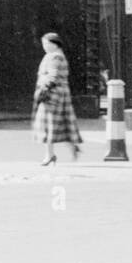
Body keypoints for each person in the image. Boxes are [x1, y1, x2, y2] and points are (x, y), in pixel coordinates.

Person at [33, 32, 82, 164]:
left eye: (46, 43)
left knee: (48, 126)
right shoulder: (56, 55)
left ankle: (50, 155)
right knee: (62, 124)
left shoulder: (55, 57)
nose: (44, 46)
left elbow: (53, 76)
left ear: (54, 44)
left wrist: (44, 89)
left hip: (52, 95)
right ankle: (71, 148)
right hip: (59, 94)